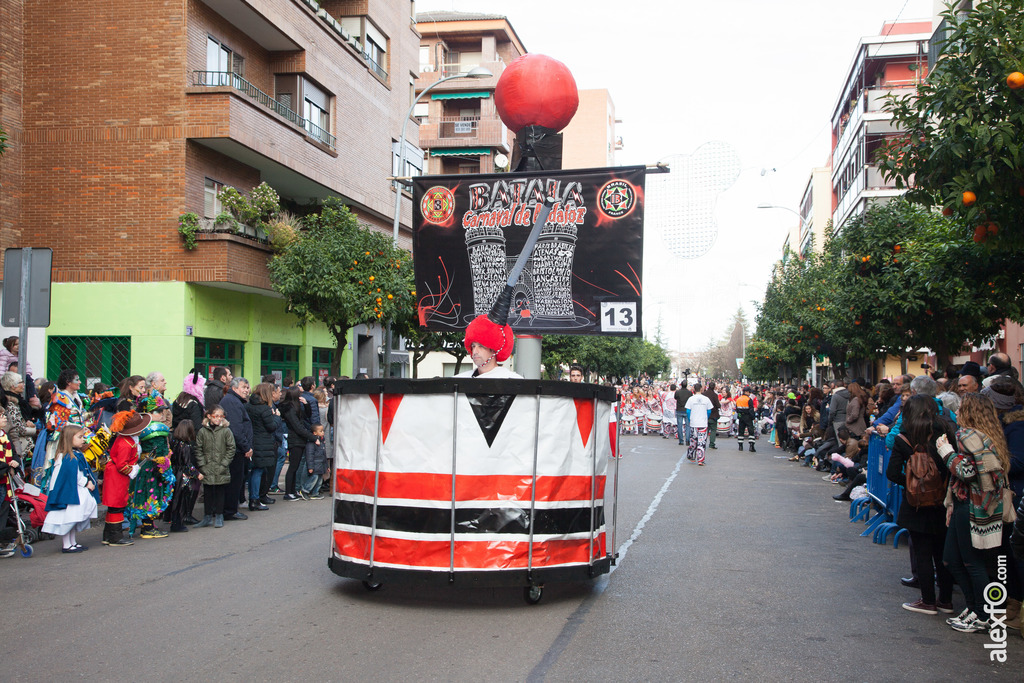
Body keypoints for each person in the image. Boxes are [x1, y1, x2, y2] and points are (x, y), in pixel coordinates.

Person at [937, 392, 1010, 633]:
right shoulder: (987, 436)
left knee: (971, 562)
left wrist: (945, 451)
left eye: (960, 410)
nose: (956, 413)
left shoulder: (968, 436)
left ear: (970, 413)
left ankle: (982, 613)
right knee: (953, 559)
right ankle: (974, 607)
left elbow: (968, 472)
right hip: (969, 504)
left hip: (971, 505)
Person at [885, 395, 956, 615]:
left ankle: (927, 600)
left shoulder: (905, 437)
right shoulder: (946, 432)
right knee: (942, 552)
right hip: (944, 500)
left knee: (922, 552)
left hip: (917, 502)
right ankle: (945, 600)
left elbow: (892, 473)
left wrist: (912, 483)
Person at [42, 425, 98, 553]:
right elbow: (73, 475)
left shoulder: (74, 455)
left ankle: (72, 542)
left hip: (75, 491)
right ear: (69, 439)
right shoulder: (68, 457)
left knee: (73, 518)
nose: (83, 439)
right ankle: (67, 544)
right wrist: (86, 483)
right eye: (79, 437)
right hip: (70, 493)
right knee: (68, 518)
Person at [102, 410, 152, 546]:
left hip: (116, 476)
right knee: (117, 506)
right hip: (117, 477)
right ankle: (115, 537)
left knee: (114, 506)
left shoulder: (127, 440)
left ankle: (108, 535)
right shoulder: (126, 444)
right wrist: (133, 469)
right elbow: (122, 465)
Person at [193, 404, 235, 529]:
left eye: (221, 416)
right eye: (215, 416)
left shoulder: (226, 431)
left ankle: (219, 515)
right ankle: (207, 516)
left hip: (221, 466)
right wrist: (202, 465)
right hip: (207, 466)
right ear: (209, 416)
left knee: (220, 491)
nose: (218, 419)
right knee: (208, 491)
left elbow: (231, 448)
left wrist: (224, 464)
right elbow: (198, 449)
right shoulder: (202, 431)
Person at [218, 377, 253, 520]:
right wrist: (246, 447)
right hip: (235, 450)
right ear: (235, 388)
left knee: (237, 480)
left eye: (247, 387)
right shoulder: (231, 402)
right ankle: (229, 510)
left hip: (237, 448)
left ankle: (230, 508)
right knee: (233, 481)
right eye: (244, 387)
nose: (246, 390)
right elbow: (236, 428)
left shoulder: (235, 401)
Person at [246, 382, 280, 511]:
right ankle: (255, 498)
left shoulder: (248, 406)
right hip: (262, 442)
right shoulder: (265, 409)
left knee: (254, 471)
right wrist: (276, 417)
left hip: (252, 440)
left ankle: (253, 497)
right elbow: (271, 426)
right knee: (258, 471)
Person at [455, 315, 523, 379]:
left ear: (494, 349)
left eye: (481, 346)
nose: (475, 351)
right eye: (473, 346)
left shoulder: (512, 381)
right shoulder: (459, 381)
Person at [164, 419, 201, 532]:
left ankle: (174, 521)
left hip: (175, 472)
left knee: (175, 499)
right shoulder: (185, 446)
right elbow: (187, 464)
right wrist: (196, 473)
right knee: (181, 500)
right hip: (182, 475)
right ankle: (177, 523)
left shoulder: (174, 442)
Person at [280, 387, 316, 501]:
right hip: (295, 440)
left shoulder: (296, 407)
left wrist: (306, 405)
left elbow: (306, 416)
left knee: (295, 467)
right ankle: (288, 492)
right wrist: (312, 437)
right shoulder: (290, 409)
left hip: (299, 439)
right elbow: (298, 426)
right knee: (293, 467)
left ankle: (293, 490)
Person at [684, 384, 714, 466]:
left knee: (694, 441)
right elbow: (709, 411)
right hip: (703, 423)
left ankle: (691, 455)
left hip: (694, 422)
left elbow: (688, 411)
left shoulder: (691, 399)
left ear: (694, 389)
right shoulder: (706, 399)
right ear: (701, 389)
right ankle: (700, 459)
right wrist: (706, 418)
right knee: (702, 441)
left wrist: (690, 419)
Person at [300, 423, 327, 500]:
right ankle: (305, 490)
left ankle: (315, 493)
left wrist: (326, 466)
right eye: (321, 431)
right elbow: (309, 455)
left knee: (319, 480)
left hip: (320, 465)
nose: (323, 432)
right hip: (315, 465)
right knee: (313, 478)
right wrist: (310, 467)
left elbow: (324, 455)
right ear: (314, 433)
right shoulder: (311, 443)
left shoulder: (322, 441)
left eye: (323, 430)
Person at [735, 386, 757, 452]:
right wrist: (753, 418)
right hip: (748, 417)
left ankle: (740, 446)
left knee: (741, 431)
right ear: (746, 392)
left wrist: (739, 415)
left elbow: (737, 409)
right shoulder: (748, 399)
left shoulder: (738, 399)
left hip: (741, 417)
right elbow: (751, 410)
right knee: (751, 430)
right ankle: (751, 446)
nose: (750, 393)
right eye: (749, 392)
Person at [703, 381, 721, 450]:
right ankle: (711, 444)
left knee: (705, 430)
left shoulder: (704, 394)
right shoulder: (714, 395)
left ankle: (703, 442)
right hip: (713, 415)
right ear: (714, 387)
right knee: (713, 430)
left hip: (705, 415)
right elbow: (718, 405)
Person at [674, 382, 692, 447]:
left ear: (681, 385)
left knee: (679, 425)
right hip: (687, 409)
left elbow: (675, 398)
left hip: (679, 409)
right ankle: (687, 440)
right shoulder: (689, 393)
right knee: (688, 426)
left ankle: (681, 440)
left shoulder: (677, 392)